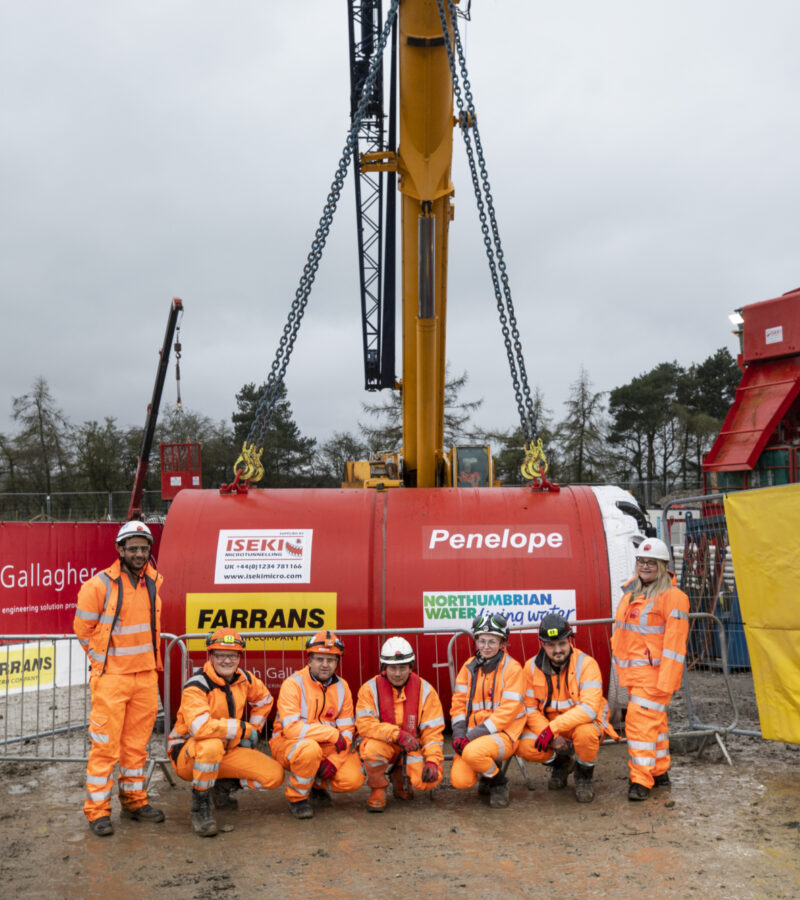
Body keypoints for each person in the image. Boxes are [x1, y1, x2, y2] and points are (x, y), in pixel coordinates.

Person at [73, 520, 165, 836]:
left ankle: (134, 801)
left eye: (144, 548)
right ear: (120, 549)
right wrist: (103, 663)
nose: (139, 554)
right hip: (112, 680)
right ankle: (98, 812)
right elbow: (82, 630)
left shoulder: (153, 582)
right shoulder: (98, 586)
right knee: (105, 749)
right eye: (133, 548)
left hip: (145, 677)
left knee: (136, 747)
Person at [167, 628, 284, 836]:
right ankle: (200, 806)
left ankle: (221, 786)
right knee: (211, 745)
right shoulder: (196, 686)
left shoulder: (244, 679)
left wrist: (255, 728)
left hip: (227, 751)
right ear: (210, 656)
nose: (227, 661)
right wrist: (243, 729)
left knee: (274, 776)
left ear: (240, 657)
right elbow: (201, 728)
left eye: (233, 655)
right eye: (220, 655)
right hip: (189, 755)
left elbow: (264, 700)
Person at [611, 537, 690, 801]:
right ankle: (658, 771)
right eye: (641, 561)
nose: (645, 566)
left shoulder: (672, 597)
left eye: (651, 562)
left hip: (654, 677)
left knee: (639, 727)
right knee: (656, 725)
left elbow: (675, 644)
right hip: (637, 675)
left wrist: (666, 683)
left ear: (663, 565)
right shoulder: (633, 592)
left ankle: (641, 780)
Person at [517, 613, 619, 803]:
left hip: (584, 723)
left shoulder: (586, 664)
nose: (558, 650)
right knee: (523, 744)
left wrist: (552, 729)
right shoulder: (530, 667)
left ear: (570, 640)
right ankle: (563, 764)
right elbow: (529, 709)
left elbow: (589, 709)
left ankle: (583, 776)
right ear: (542, 644)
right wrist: (552, 736)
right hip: (551, 727)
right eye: (551, 645)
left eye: (562, 644)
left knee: (586, 734)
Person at [269, 630, 364, 818]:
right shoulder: (293, 684)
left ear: (337, 662)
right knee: (310, 750)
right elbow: (291, 729)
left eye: (331, 660)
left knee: (353, 779)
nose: (325, 665)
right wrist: (331, 734)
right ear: (309, 660)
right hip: (287, 743)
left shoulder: (342, 686)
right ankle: (297, 798)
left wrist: (335, 760)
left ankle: (314, 783)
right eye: (320, 659)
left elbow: (346, 732)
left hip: (326, 747)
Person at [355, 636, 444, 812]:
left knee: (427, 781)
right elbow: (365, 724)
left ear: (411, 667)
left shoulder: (425, 690)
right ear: (384, 668)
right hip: (382, 744)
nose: (397, 673)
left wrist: (432, 761)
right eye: (392, 668)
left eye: (402, 668)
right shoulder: (369, 689)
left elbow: (432, 732)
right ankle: (378, 788)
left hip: (412, 746)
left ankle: (400, 776)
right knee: (372, 750)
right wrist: (397, 734)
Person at [449, 614, 525, 807]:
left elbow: (507, 713)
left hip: (504, 734)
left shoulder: (512, 668)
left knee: (473, 753)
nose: (486, 646)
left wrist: (471, 736)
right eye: (481, 641)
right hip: (474, 736)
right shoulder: (468, 667)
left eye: (492, 641)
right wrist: (459, 735)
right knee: (459, 780)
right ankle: (488, 772)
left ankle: (498, 783)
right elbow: (458, 704)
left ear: (502, 643)